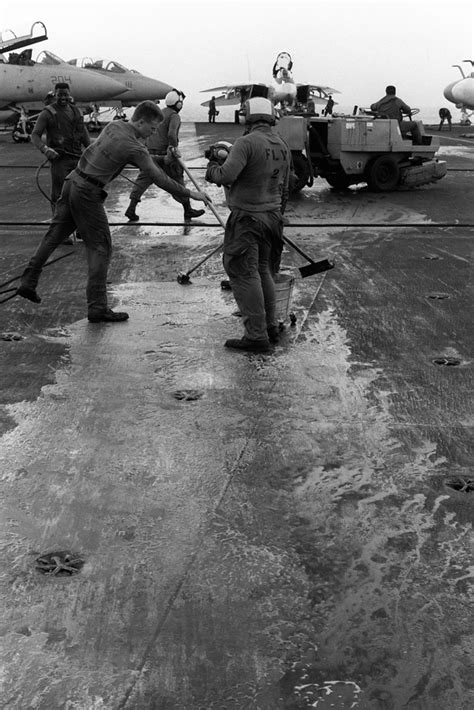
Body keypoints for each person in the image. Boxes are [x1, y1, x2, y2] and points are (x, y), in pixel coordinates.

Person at [16, 101, 208, 323]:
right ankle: (97, 308)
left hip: (72, 182)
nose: (153, 133)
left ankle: (28, 281)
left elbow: (144, 159)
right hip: (87, 193)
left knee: (54, 235)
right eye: (153, 128)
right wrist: (191, 194)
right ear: (141, 121)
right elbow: (156, 176)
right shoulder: (134, 146)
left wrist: (164, 159)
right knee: (101, 247)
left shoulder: (115, 126)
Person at [205, 97, 291, 353]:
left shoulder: (246, 143)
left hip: (248, 218)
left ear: (247, 117)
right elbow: (287, 186)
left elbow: (226, 176)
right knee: (264, 270)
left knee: (244, 273)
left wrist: (212, 165)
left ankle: (255, 336)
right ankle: (270, 326)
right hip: (272, 217)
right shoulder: (282, 145)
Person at [124, 90, 205, 223]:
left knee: (143, 180)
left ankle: (131, 209)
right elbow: (171, 134)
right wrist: (173, 148)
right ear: (178, 104)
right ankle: (188, 209)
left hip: (149, 154)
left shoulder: (159, 114)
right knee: (177, 179)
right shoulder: (174, 116)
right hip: (165, 155)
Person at [31, 83, 91, 212]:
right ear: (55, 95)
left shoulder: (77, 111)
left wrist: (92, 152)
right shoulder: (48, 113)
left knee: (80, 194)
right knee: (60, 195)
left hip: (78, 160)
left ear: (70, 95)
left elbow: (84, 134)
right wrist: (45, 149)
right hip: (60, 160)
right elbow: (35, 135)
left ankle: (79, 227)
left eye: (66, 95)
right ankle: (58, 225)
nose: (63, 98)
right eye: (59, 95)